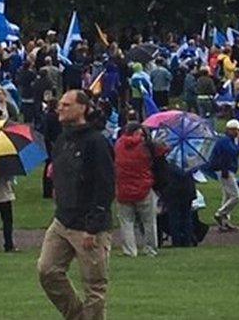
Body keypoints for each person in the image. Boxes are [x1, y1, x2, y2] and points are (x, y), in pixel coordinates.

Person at [38, 90, 115, 319]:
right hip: (62, 220)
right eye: (60, 104)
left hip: (88, 225)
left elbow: (105, 185)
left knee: (94, 285)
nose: (60, 108)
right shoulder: (62, 140)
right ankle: (77, 316)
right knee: (47, 270)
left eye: (66, 104)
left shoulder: (96, 141)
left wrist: (93, 225)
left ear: (82, 108)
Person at [114, 123, 159, 257]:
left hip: (123, 188)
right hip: (143, 187)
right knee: (149, 221)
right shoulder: (145, 147)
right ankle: (150, 248)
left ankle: (129, 250)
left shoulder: (119, 145)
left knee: (126, 221)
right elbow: (162, 150)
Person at [208, 119, 239, 232]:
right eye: (237, 130)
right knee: (236, 196)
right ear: (231, 130)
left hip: (227, 170)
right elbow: (232, 153)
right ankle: (220, 214)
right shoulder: (225, 141)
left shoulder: (228, 140)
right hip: (225, 170)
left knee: (227, 196)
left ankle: (225, 222)